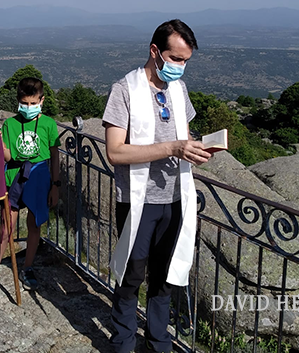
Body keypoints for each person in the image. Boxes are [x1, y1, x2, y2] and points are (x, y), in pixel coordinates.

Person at [102, 19, 211, 353]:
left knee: (164, 278)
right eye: (175, 59)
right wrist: (173, 148)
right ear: (155, 51)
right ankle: (122, 342)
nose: (180, 67)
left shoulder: (178, 90)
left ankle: (159, 343)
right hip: (139, 200)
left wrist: (197, 148)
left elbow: (183, 135)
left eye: (185, 61)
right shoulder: (124, 90)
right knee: (132, 275)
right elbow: (115, 151)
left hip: (176, 197)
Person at [0, 77, 61, 294]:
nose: (29, 107)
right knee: (7, 227)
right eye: (25, 103)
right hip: (14, 178)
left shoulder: (49, 124)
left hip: (39, 178)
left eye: (34, 103)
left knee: (34, 226)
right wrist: (0, 144)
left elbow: (54, 156)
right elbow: (7, 157)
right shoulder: (11, 124)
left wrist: (55, 185)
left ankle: (27, 267)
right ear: (18, 101)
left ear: (41, 100)